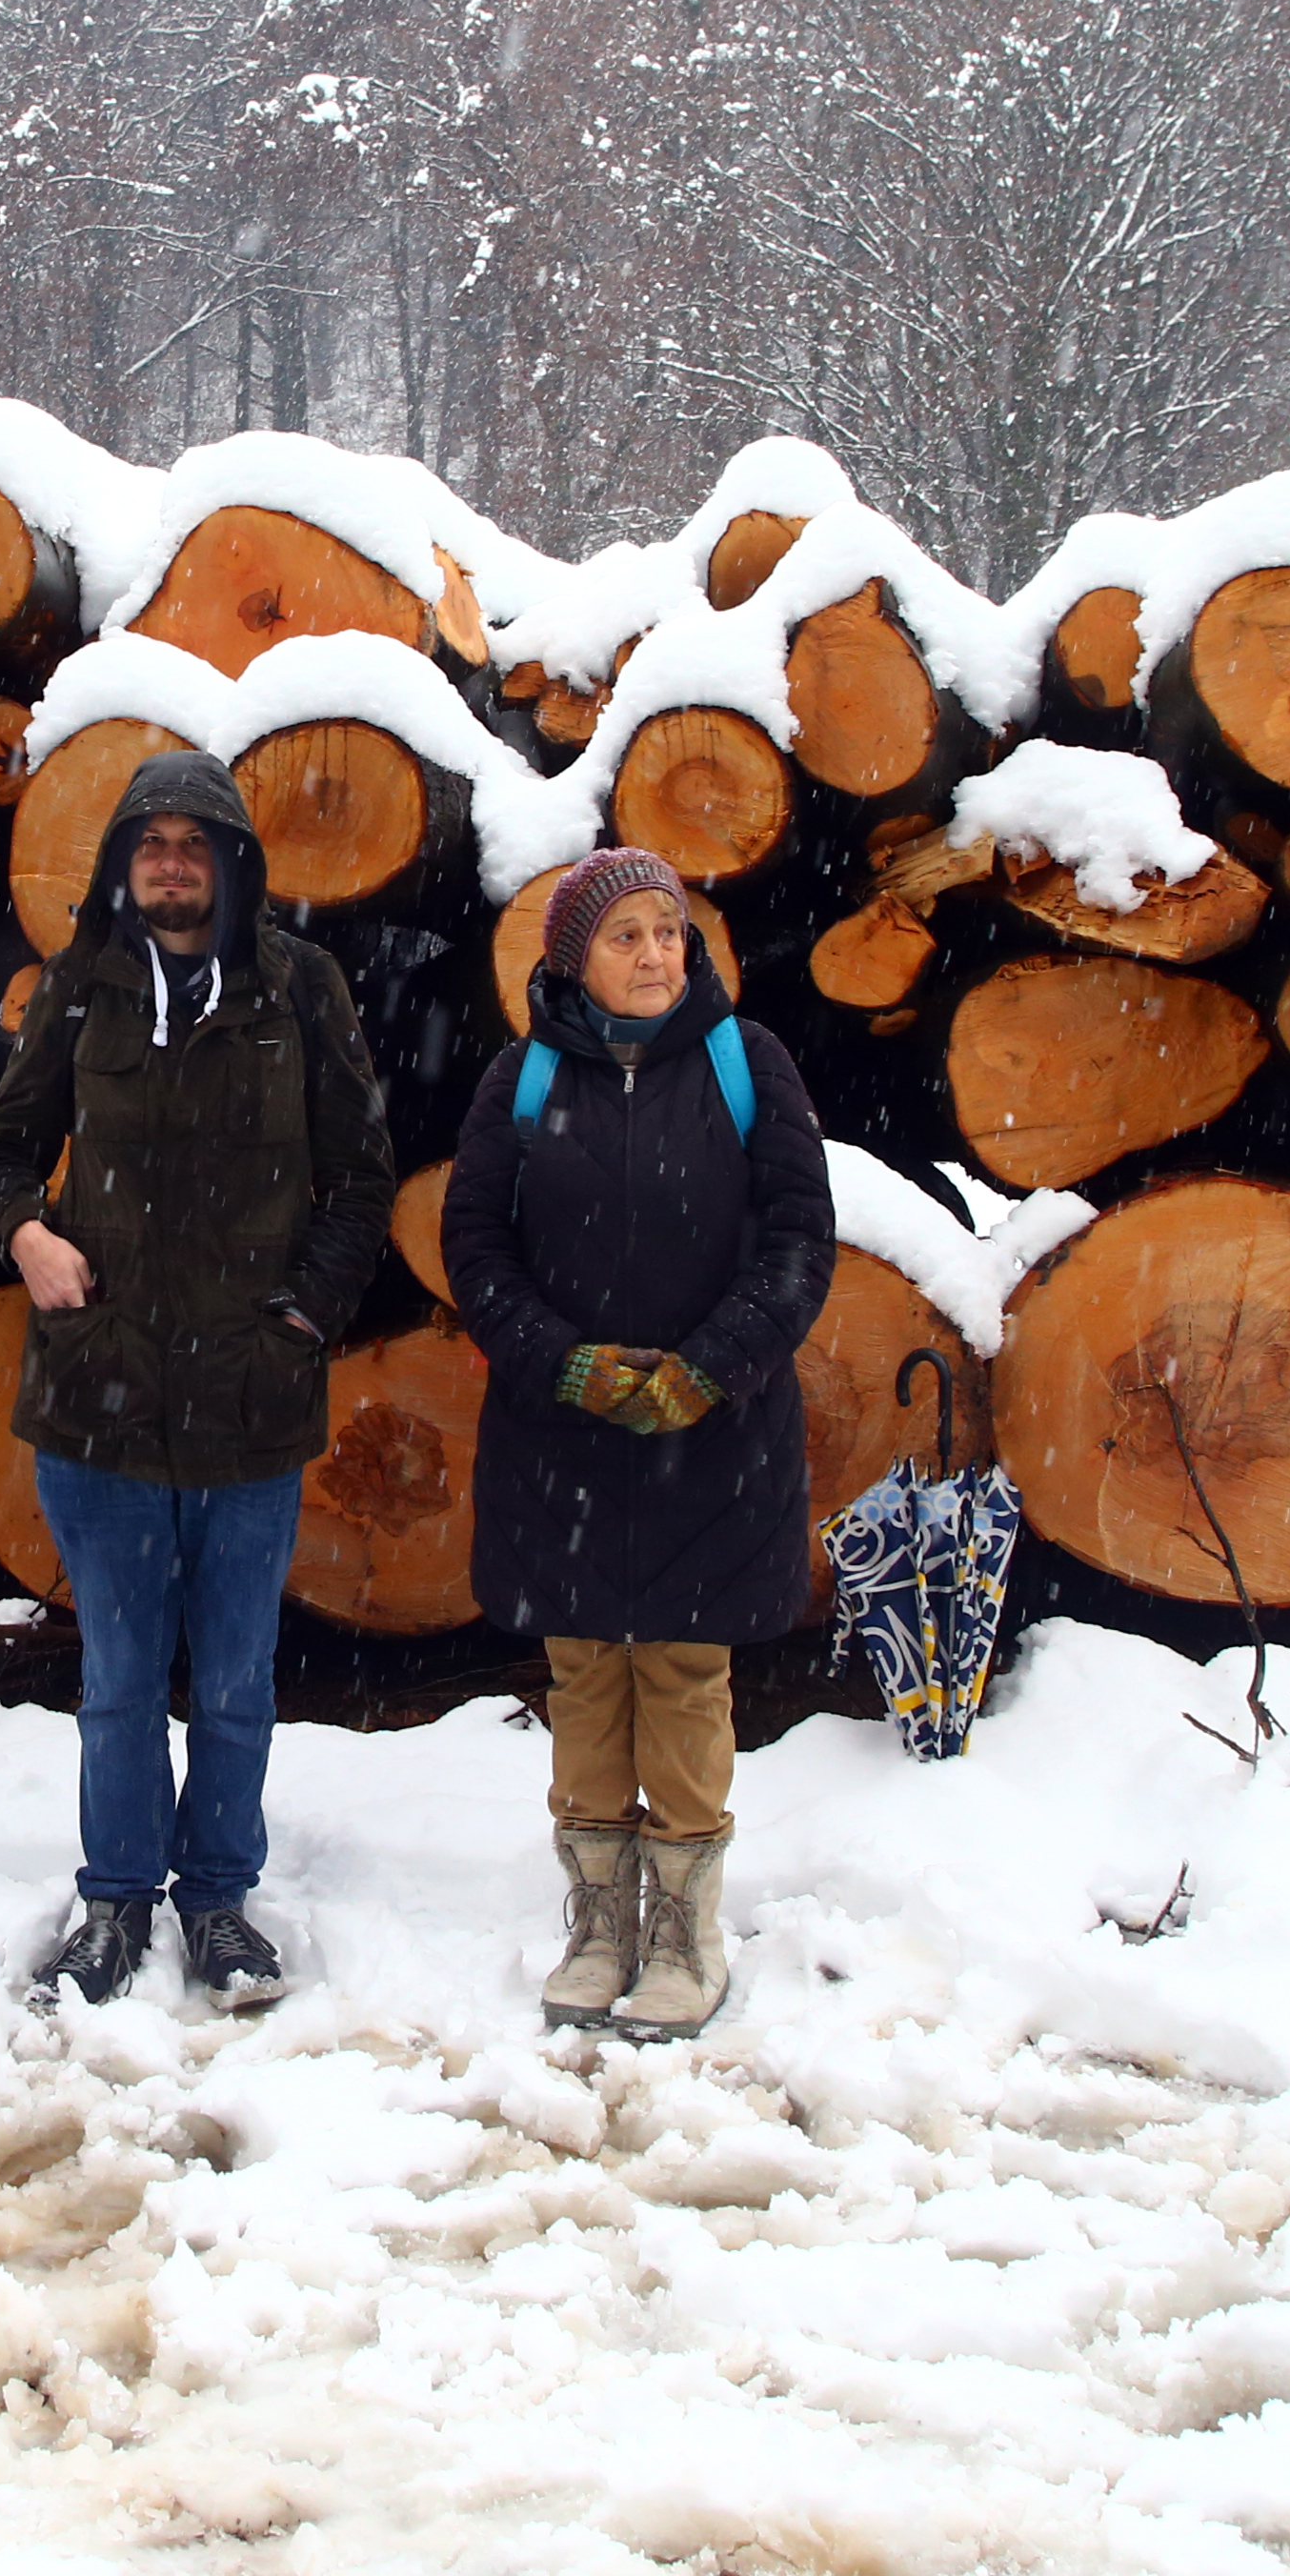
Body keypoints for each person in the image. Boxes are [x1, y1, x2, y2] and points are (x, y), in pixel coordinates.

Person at [0, 750, 393, 2012]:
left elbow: (363, 1175)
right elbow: (0, 1148)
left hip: (250, 1399)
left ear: (231, 860)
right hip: (96, 1394)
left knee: (239, 1681)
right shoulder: (84, 991)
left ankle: (217, 1902)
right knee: (116, 1677)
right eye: (148, 842)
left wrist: (304, 1314)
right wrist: (27, 1237)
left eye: (192, 841)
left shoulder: (296, 987)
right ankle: (114, 1898)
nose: (168, 860)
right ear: (123, 863)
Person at [443, 847, 836, 2039]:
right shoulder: (523, 1079)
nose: (657, 954)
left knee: (680, 1675)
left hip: (710, 1440)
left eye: (670, 931)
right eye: (628, 936)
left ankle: (685, 1929)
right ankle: (600, 1918)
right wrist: (561, 1359)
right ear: (575, 960)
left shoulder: (745, 1066)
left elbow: (799, 1240)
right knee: (584, 1677)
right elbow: (474, 1246)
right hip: (560, 1438)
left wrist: (707, 1370)